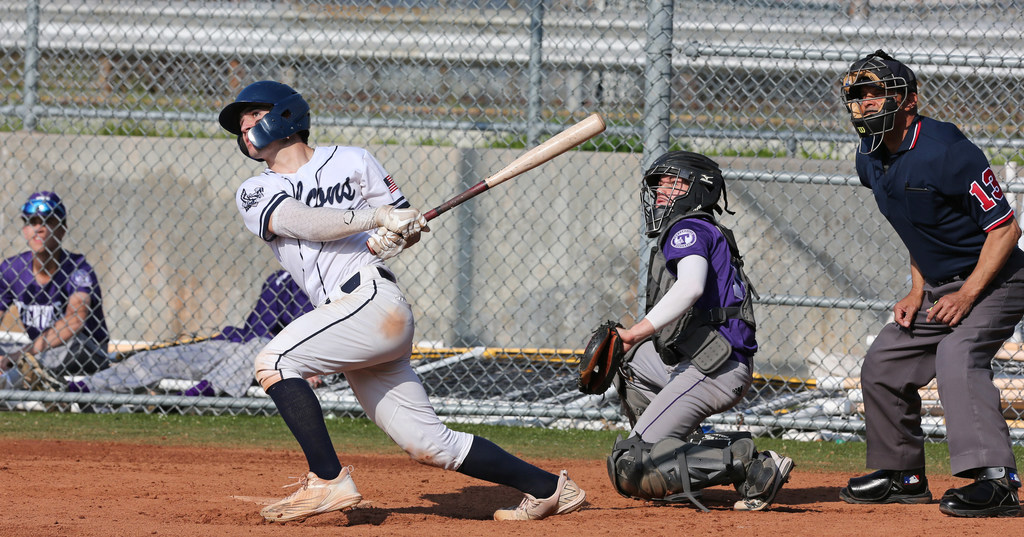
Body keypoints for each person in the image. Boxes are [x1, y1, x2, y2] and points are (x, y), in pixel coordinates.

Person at [217, 80, 586, 523]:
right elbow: (299, 220)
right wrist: (376, 219)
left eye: (252, 117)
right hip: (348, 314)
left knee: (274, 362)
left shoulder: (353, 160)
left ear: (285, 115)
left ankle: (327, 481)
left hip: (372, 299)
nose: (244, 129)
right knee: (430, 444)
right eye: (240, 126)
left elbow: (398, 224)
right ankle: (550, 488)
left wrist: (397, 234)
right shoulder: (254, 190)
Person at [837, 50, 1023, 518]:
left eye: (877, 93)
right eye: (857, 95)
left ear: (909, 101)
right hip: (941, 286)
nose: (864, 103)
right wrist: (918, 289)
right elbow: (917, 227)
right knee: (884, 361)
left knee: (957, 354)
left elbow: (1004, 229)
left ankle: (996, 481)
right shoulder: (870, 158)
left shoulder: (946, 150)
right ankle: (903, 475)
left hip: (998, 278)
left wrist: (965, 294)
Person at [603, 150, 793, 512]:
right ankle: (677, 453)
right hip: (704, 360)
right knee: (628, 360)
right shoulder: (701, 227)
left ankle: (752, 466)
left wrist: (636, 331)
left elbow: (689, 288)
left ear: (695, 189)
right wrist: (631, 342)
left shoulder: (687, 229)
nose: (658, 192)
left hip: (714, 370)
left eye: (669, 183)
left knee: (630, 466)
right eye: (657, 184)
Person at [67, 270, 313, 397]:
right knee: (161, 357)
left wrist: (313, 366)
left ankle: (200, 399)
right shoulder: (279, 278)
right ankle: (86, 388)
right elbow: (255, 328)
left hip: (284, 360)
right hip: (237, 348)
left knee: (261, 344)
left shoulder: (327, 279)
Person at [0, 191, 109, 390]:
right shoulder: (10, 269)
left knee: (71, 344)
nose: (39, 229)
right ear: (25, 230)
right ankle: (29, 379)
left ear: (62, 229)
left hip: (83, 349)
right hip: (38, 353)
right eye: (32, 221)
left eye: (48, 221)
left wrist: (22, 355)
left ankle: (13, 384)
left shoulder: (78, 268)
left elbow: (75, 320)